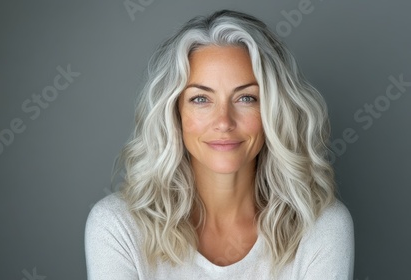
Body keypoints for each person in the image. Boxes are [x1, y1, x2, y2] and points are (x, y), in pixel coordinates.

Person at [85, 9, 354, 280]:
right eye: (201, 99)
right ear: (175, 113)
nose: (223, 122)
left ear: (273, 112)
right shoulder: (117, 226)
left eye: (246, 98)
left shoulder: (321, 227)